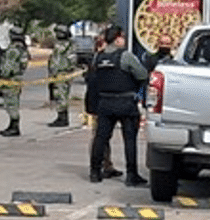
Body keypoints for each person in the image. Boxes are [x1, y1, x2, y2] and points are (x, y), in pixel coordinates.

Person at [89, 25, 149, 186]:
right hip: (126, 103)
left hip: (105, 103)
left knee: (101, 138)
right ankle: (131, 175)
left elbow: (93, 79)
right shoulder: (126, 56)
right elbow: (142, 75)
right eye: (122, 36)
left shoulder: (98, 57)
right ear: (117, 38)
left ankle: (95, 172)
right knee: (129, 139)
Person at [83, 34, 122, 179]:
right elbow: (94, 84)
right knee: (99, 136)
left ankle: (106, 164)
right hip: (99, 102)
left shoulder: (97, 60)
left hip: (99, 102)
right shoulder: (99, 60)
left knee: (103, 136)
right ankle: (100, 166)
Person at [0, 27, 29, 137]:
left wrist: (2, 76)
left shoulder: (13, 50)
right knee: (13, 103)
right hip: (17, 79)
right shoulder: (22, 49)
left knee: (11, 104)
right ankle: (12, 126)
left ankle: (14, 127)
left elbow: (7, 67)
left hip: (10, 80)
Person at [47, 24, 77, 127]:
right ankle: (60, 116)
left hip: (63, 73)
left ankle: (63, 118)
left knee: (62, 96)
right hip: (56, 73)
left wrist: (69, 72)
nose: (58, 34)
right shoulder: (58, 44)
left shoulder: (69, 45)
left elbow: (72, 59)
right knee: (57, 95)